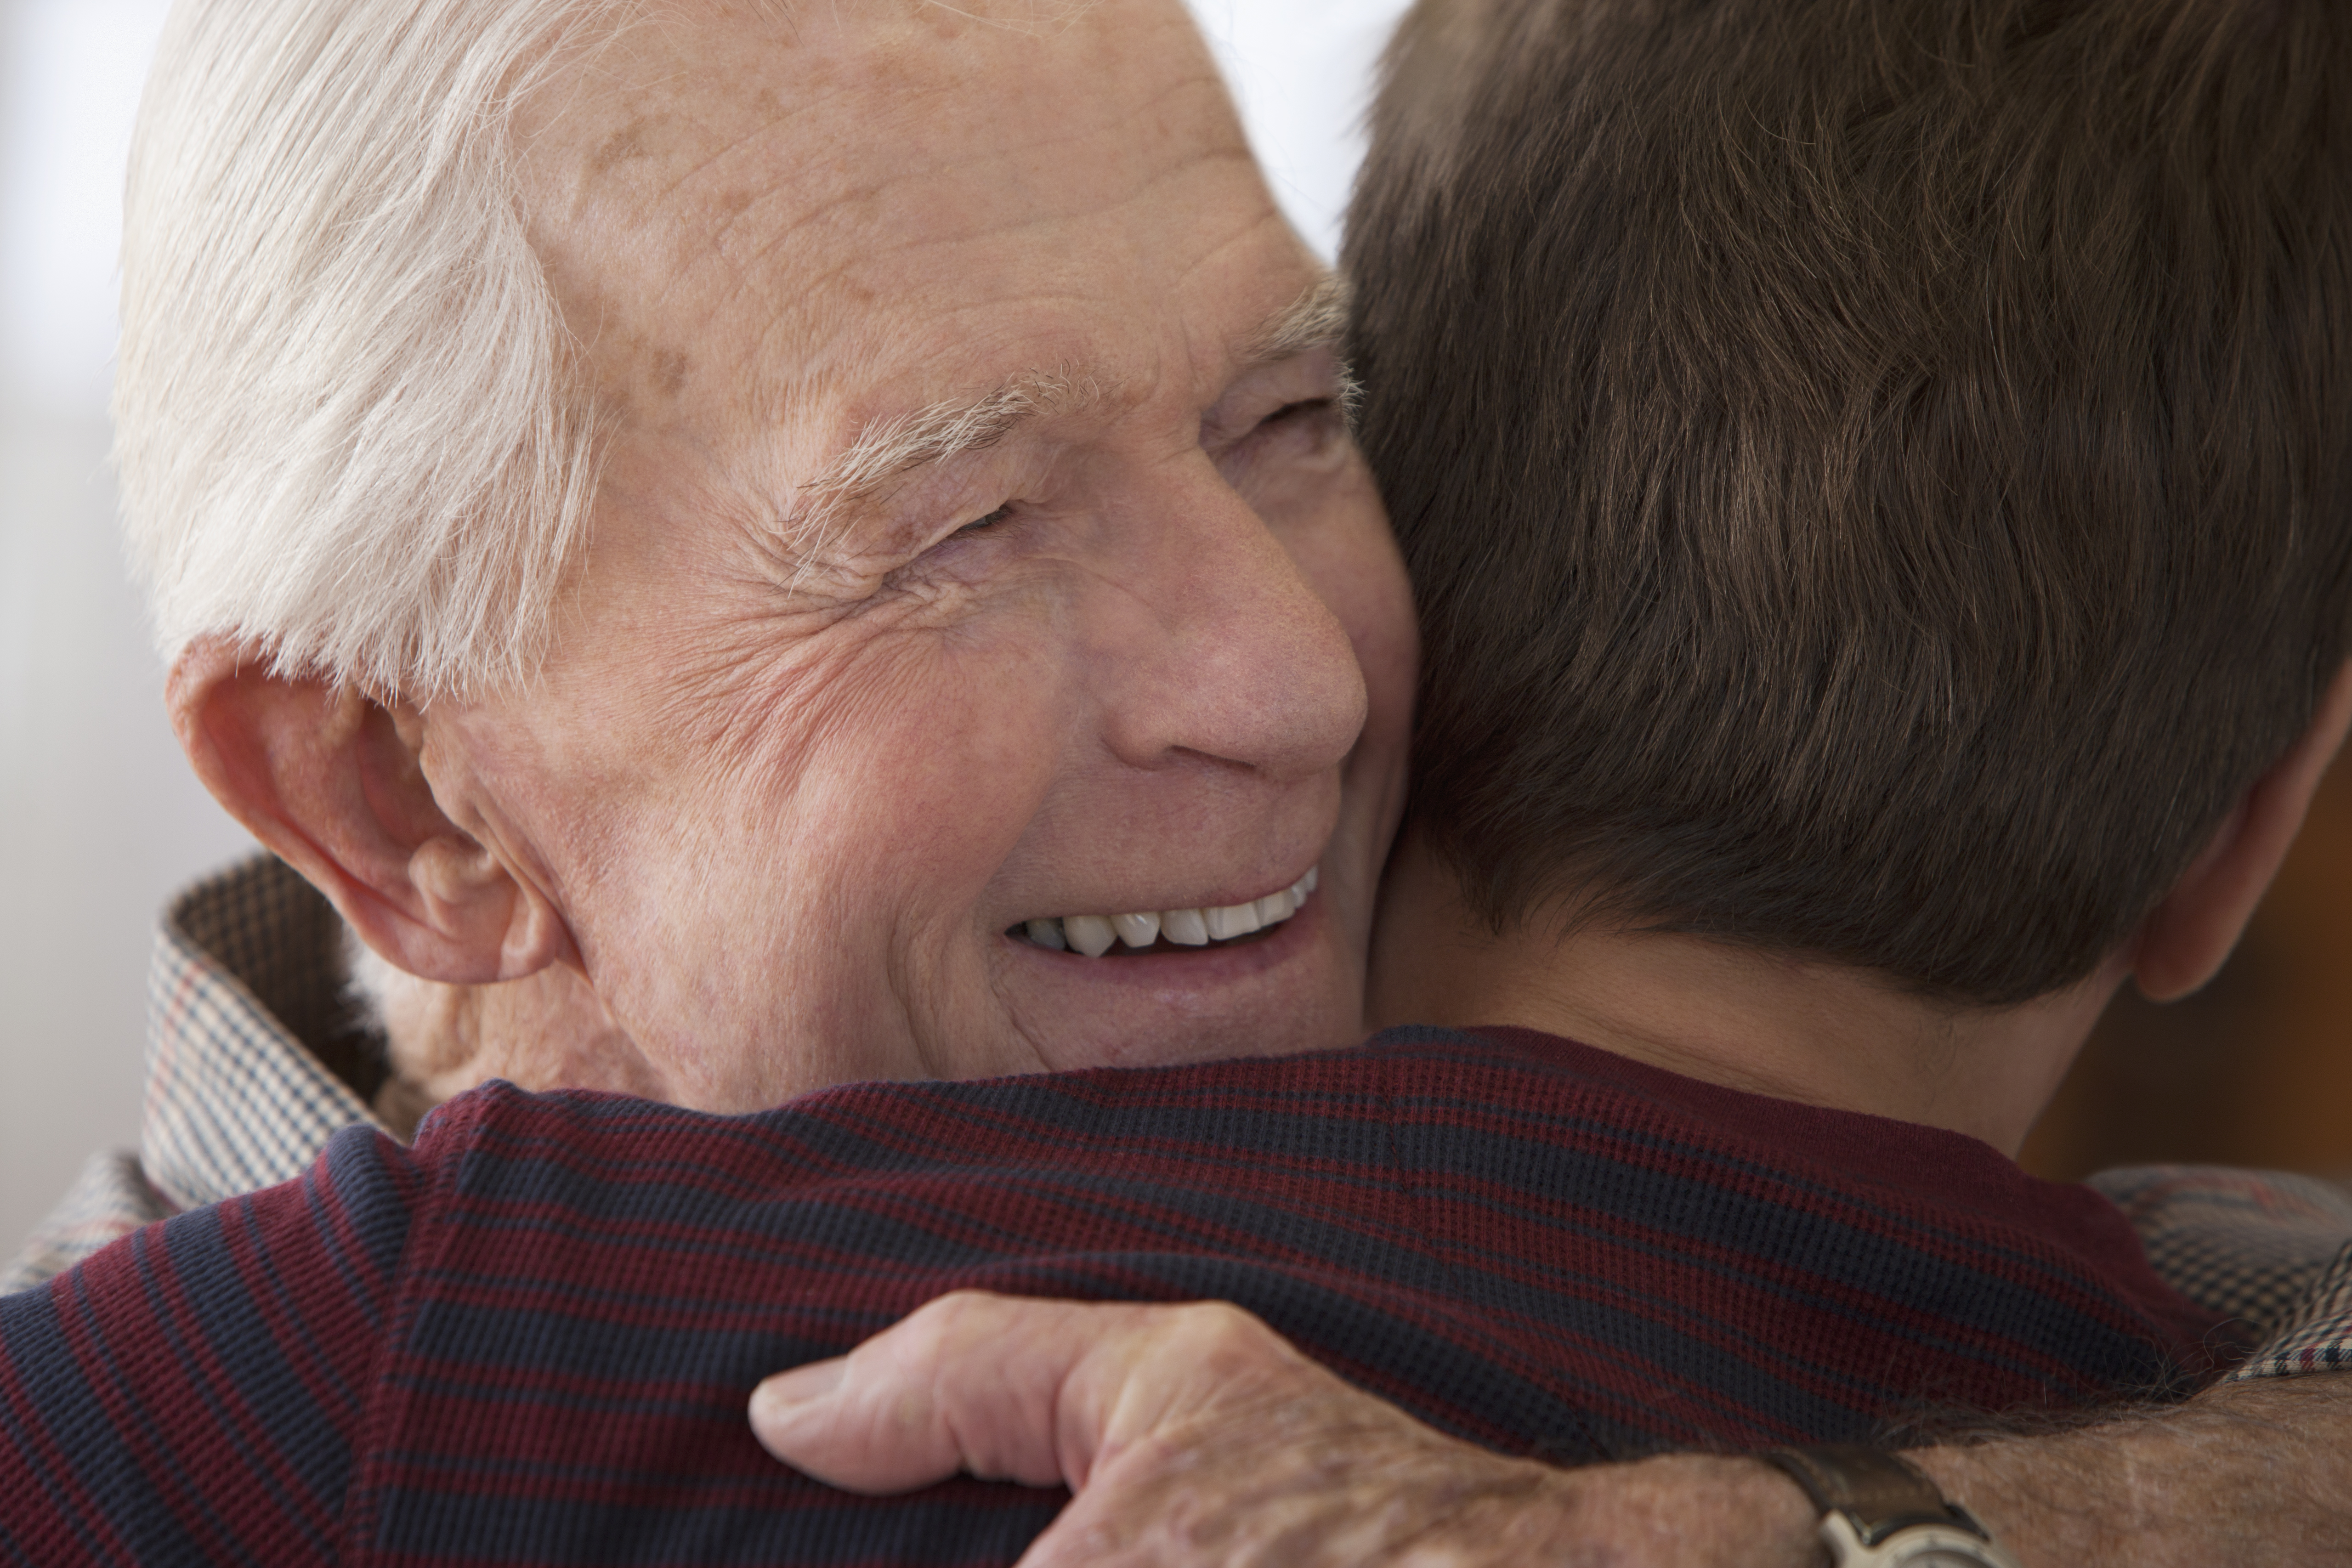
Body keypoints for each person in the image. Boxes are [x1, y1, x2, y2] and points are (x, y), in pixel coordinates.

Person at [4, 0, 2348, 1562]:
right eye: (960, 521)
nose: (1294, 675)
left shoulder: (2163, 1302)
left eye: (1289, 419)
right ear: (400, 800)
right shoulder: (228, 1405)